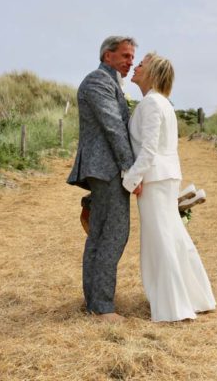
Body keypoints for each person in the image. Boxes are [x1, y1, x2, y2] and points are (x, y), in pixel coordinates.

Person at [122, 53, 216, 322]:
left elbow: (149, 149)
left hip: (155, 179)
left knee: (160, 240)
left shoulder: (152, 103)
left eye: (141, 64)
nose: (135, 67)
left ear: (151, 73)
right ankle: (196, 298)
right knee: (173, 237)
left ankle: (173, 306)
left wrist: (131, 180)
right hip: (164, 176)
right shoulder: (162, 102)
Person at [67, 36, 137, 323]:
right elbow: (114, 127)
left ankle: (96, 302)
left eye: (132, 57)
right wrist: (130, 169)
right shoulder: (98, 81)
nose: (130, 61)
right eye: (125, 55)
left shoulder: (109, 82)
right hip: (106, 169)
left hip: (105, 169)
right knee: (113, 235)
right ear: (107, 56)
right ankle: (103, 308)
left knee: (101, 235)